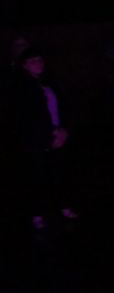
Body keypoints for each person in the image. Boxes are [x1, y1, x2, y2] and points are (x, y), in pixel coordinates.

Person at [12, 48, 78, 229]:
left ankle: (63, 206)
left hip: (57, 134)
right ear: (24, 65)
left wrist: (63, 130)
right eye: (33, 61)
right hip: (37, 139)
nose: (38, 63)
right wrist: (50, 134)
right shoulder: (21, 88)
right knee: (38, 176)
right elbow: (28, 118)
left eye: (40, 60)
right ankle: (37, 213)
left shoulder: (49, 83)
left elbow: (64, 108)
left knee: (59, 173)